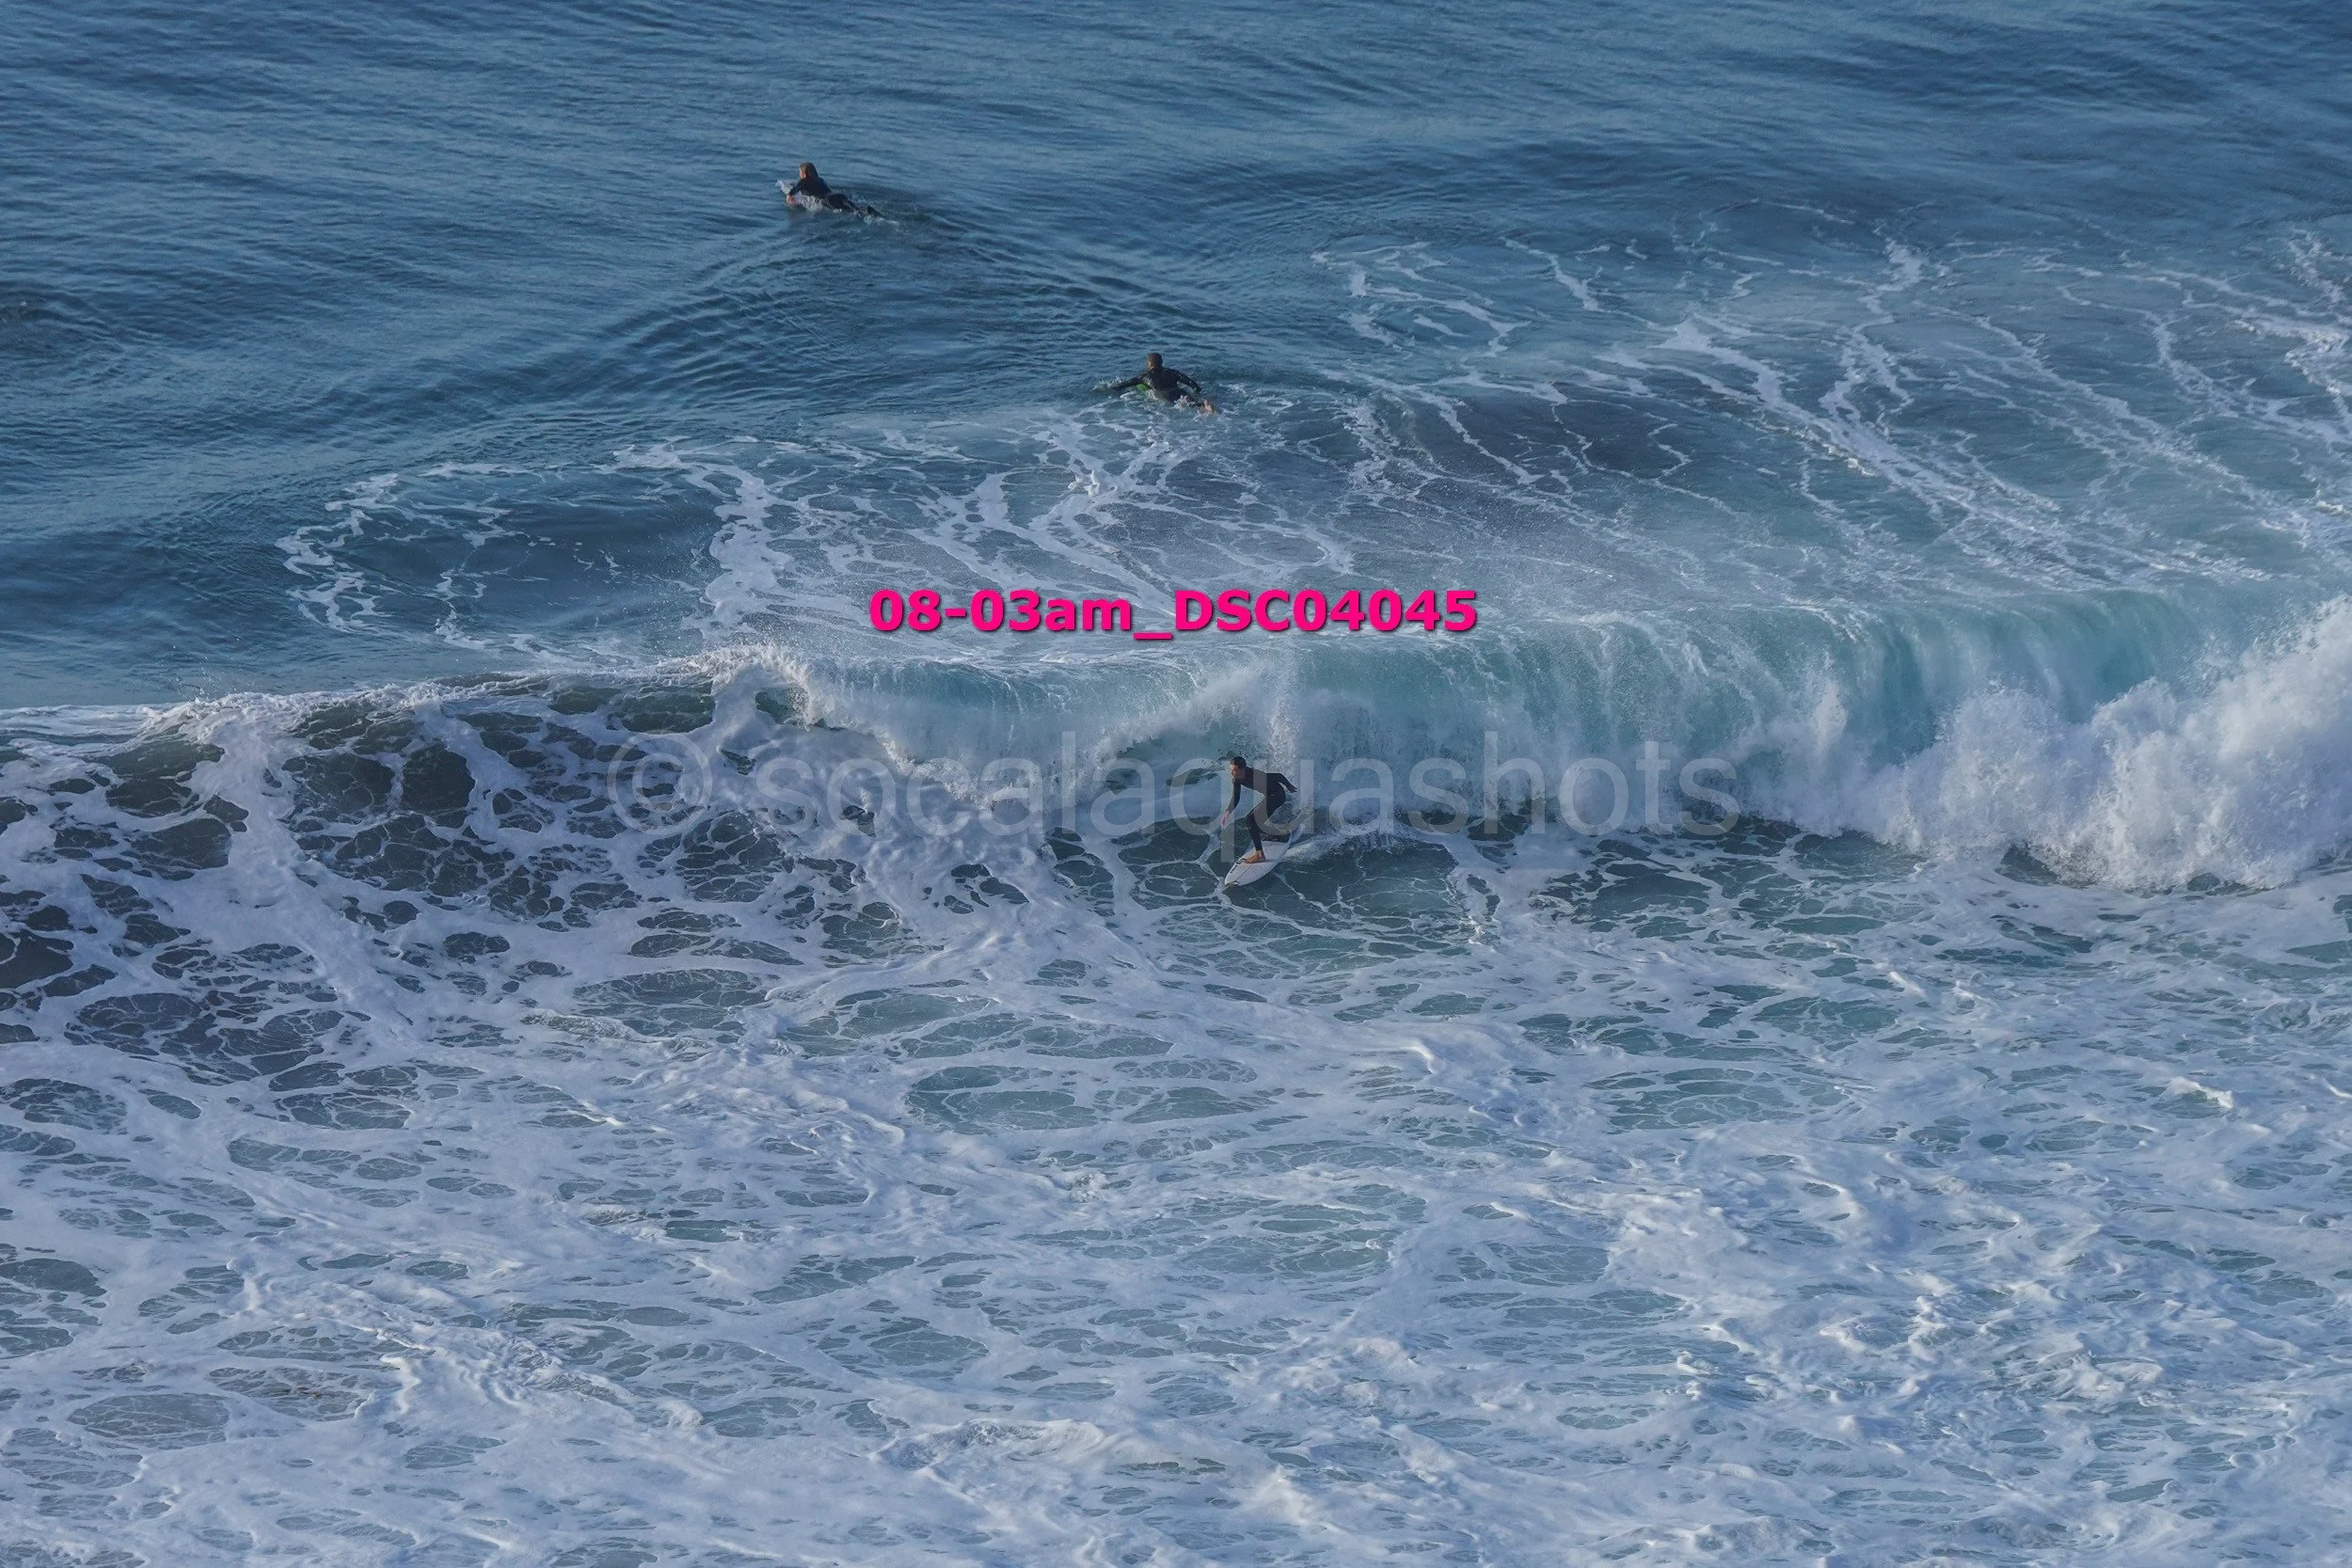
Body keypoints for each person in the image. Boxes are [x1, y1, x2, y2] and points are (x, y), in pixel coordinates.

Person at [1218, 755, 1295, 863]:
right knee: (1255, 825)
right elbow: (1236, 796)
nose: (1231, 773)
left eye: (1234, 770)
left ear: (1243, 769)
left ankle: (1259, 855)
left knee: (1250, 820)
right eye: (1231, 769)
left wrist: (1289, 786)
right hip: (1269, 796)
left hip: (1277, 795)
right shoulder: (1236, 779)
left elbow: (1278, 776)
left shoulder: (1255, 775)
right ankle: (1279, 834)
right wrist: (1228, 811)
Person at [1100, 352, 1216, 413]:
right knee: (1194, 403)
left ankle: (1203, 407)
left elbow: (1124, 385)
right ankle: (1205, 404)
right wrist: (1197, 391)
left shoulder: (1144, 377)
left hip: (1165, 395)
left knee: (1185, 406)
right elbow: (1190, 382)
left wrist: (1107, 389)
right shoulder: (1173, 372)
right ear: (1161, 362)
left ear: (1150, 363)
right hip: (1180, 391)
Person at [785, 162, 870, 215]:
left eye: (800, 172)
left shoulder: (804, 181)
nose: (799, 174)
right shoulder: (820, 179)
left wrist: (789, 196)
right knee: (856, 209)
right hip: (839, 195)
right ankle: (868, 210)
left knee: (849, 213)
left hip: (828, 199)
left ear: (804, 174)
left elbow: (795, 189)